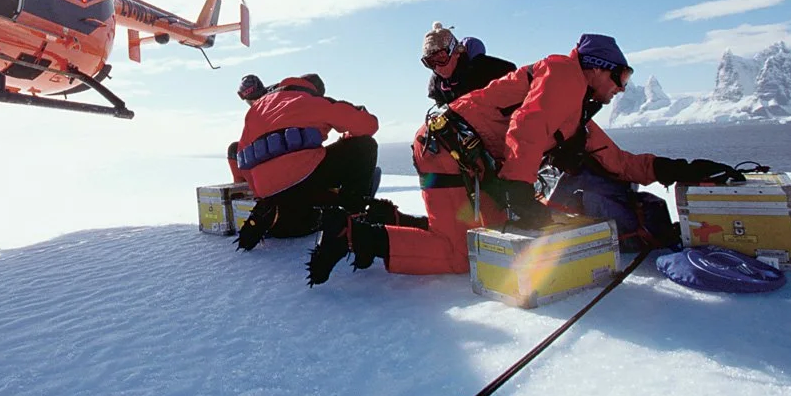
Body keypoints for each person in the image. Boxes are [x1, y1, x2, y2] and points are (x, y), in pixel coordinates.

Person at [306, 33, 744, 285]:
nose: (621, 87)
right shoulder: (563, 74)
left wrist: (678, 169)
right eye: (621, 76)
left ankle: (383, 219)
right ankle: (353, 236)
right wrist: (518, 191)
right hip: (446, 154)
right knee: (461, 255)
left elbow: (619, 162)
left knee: (485, 233)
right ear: (596, 66)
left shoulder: (574, 113)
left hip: (460, 157)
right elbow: (526, 128)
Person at [233, 73, 380, 251]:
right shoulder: (313, 100)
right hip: (304, 175)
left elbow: (243, 158)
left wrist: (262, 194)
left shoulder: (256, 110)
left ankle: (278, 211)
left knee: (293, 221)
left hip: (270, 190)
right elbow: (369, 126)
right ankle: (352, 216)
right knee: (365, 146)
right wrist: (355, 121)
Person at [421, 22, 516, 105]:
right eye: (430, 62)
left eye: (441, 58)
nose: (437, 67)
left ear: (456, 52)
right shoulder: (436, 85)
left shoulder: (490, 69)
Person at [227, 74, 269, 182]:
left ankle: (240, 186)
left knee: (234, 149)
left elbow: (245, 143)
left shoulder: (256, 113)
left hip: (271, 155)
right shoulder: (276, 100)